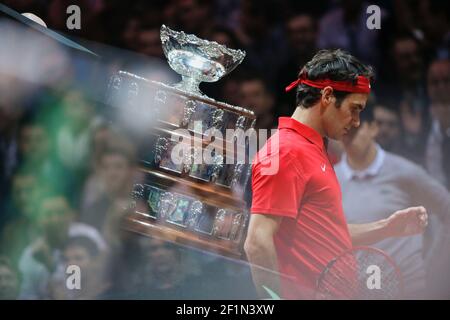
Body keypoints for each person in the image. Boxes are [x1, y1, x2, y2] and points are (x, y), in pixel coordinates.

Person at [244, 49, 428, 299]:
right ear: (328, 96)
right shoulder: (286, 151)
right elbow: (257, 242)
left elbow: (327, 236)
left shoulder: (312, 148)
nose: (356, 122)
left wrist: (386, 227)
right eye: (354, 109)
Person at [334, 104, 450, 298]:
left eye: (356, 129)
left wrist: (435, 263)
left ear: (373, 128)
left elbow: (446, 208)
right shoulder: (330, 178)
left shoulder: (405, 172)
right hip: (353, 292)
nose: (349, 137)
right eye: (344, 130)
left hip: (408, 289)